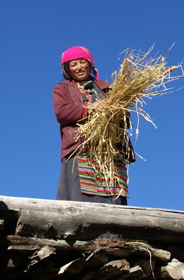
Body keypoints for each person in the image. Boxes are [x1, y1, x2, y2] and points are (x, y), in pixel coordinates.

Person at [53, 46, 133, 204]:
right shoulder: (62, 89)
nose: (78, 67)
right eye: (73, 64)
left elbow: (125, 118)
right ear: (67, 69)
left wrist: (110, 111)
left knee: (113, 200)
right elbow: (61, 112)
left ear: (90, 64)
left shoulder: (108, 88)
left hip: (109, 152)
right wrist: (89, 109)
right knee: (79, 200)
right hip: (81, 148)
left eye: (82, 62)